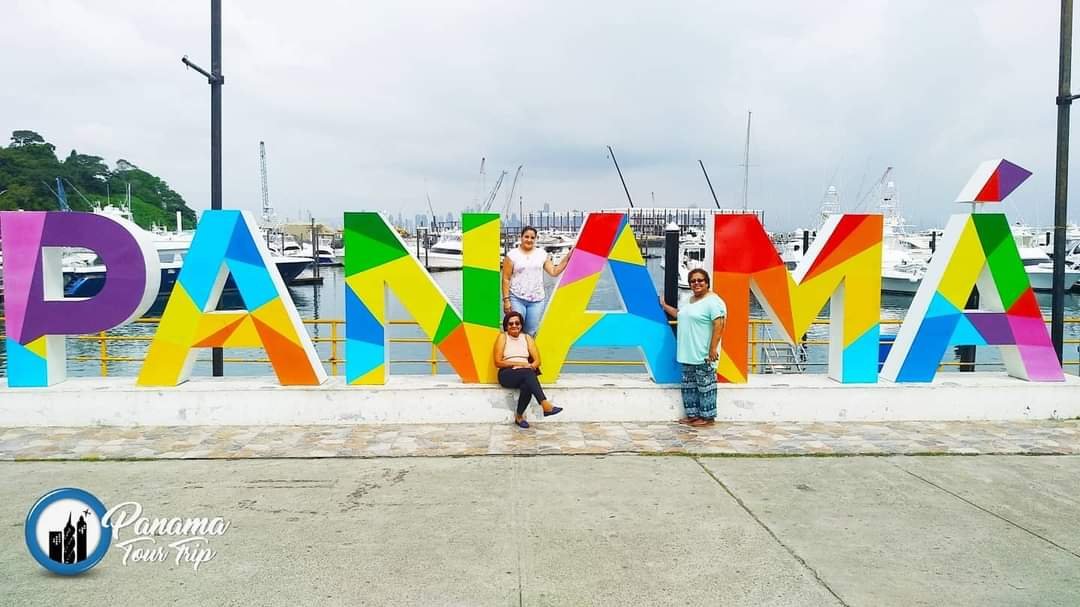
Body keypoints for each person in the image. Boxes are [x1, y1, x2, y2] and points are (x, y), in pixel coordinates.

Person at [659, 268, 726, 427]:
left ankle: (707, 418)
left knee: (705, 386)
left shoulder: (713, 301)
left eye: (700, 280)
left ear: (707, 282)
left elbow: (719, 324)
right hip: (688, 353)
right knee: (689, 386)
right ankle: (693, 415)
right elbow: (680, 314)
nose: (696, 283)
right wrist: (664, 306)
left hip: (703, 353)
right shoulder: (690, 300)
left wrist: (712, 349)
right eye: (693, 281)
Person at [493, 311, 562, 428]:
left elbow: (537, 361)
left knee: (527, 385)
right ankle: (545, 405)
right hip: (507, 373)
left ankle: (519, 417)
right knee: (528, 374)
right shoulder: (503, 337)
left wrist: (530, 366)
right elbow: (498, 362)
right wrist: (520, 364)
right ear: (506, 326)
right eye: (510, 324)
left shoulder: (527, 338)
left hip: (525, 372)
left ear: (521, 325)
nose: (514, 326)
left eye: (517, 323)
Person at [501, 226, 572, 336]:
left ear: (536, 239)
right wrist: (506, 300)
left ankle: (528, 353)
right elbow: (506, 278)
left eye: (532, 237)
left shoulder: (541, 254)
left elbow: (554, 271)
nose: (529, 240)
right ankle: (514, 352)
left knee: (530, 332)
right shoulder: (512, 255)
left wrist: (568, 257)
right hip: (516, 298)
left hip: (537, 300)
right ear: (521, 237)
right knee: (515, 330)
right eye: (526, 237)